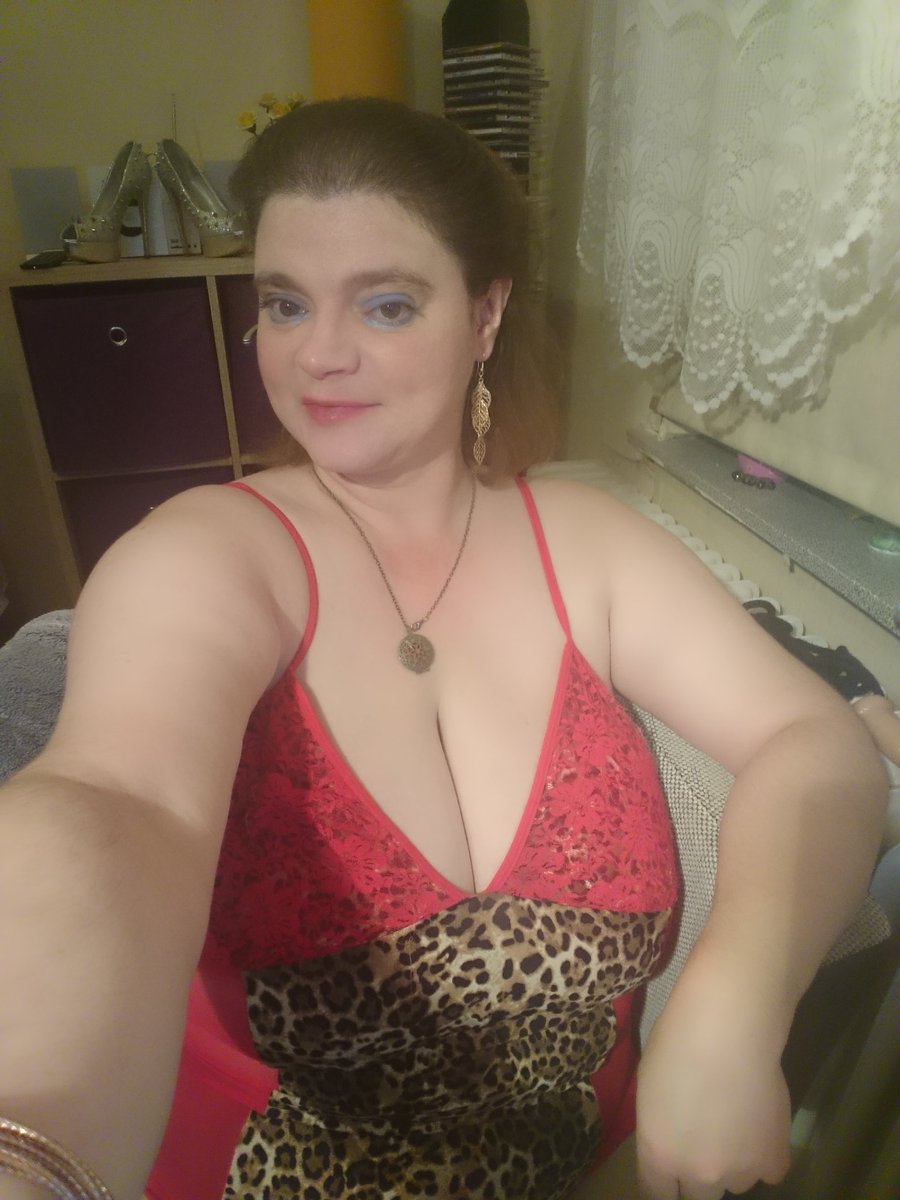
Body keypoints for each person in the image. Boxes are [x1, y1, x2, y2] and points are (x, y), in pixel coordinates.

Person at [0, 98, 887, 1200]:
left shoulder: (588, 545)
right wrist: (28, 1149)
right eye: (284, 302)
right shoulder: (208, 554)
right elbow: (114, 800)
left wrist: (737, 1002)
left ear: (485, 314)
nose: (319, 354)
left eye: (385, 304)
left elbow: (811, 738)